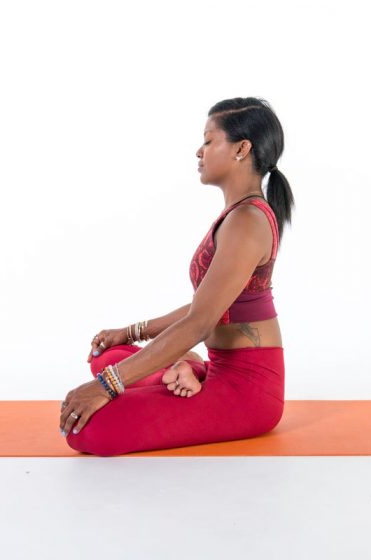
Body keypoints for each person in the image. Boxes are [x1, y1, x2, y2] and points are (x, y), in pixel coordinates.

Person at [59, 96, 295, 456]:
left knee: (88, 430)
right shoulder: (238, 216)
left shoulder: (247, 221)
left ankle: (191, 370)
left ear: (241, 149)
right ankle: (191, 369)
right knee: (107, 357)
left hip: (248, 392)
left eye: (209, 140)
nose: (199, 152)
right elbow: (207, 307)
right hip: (221, 369)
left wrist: (106, 387)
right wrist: (131, 332)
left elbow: (200, 322)